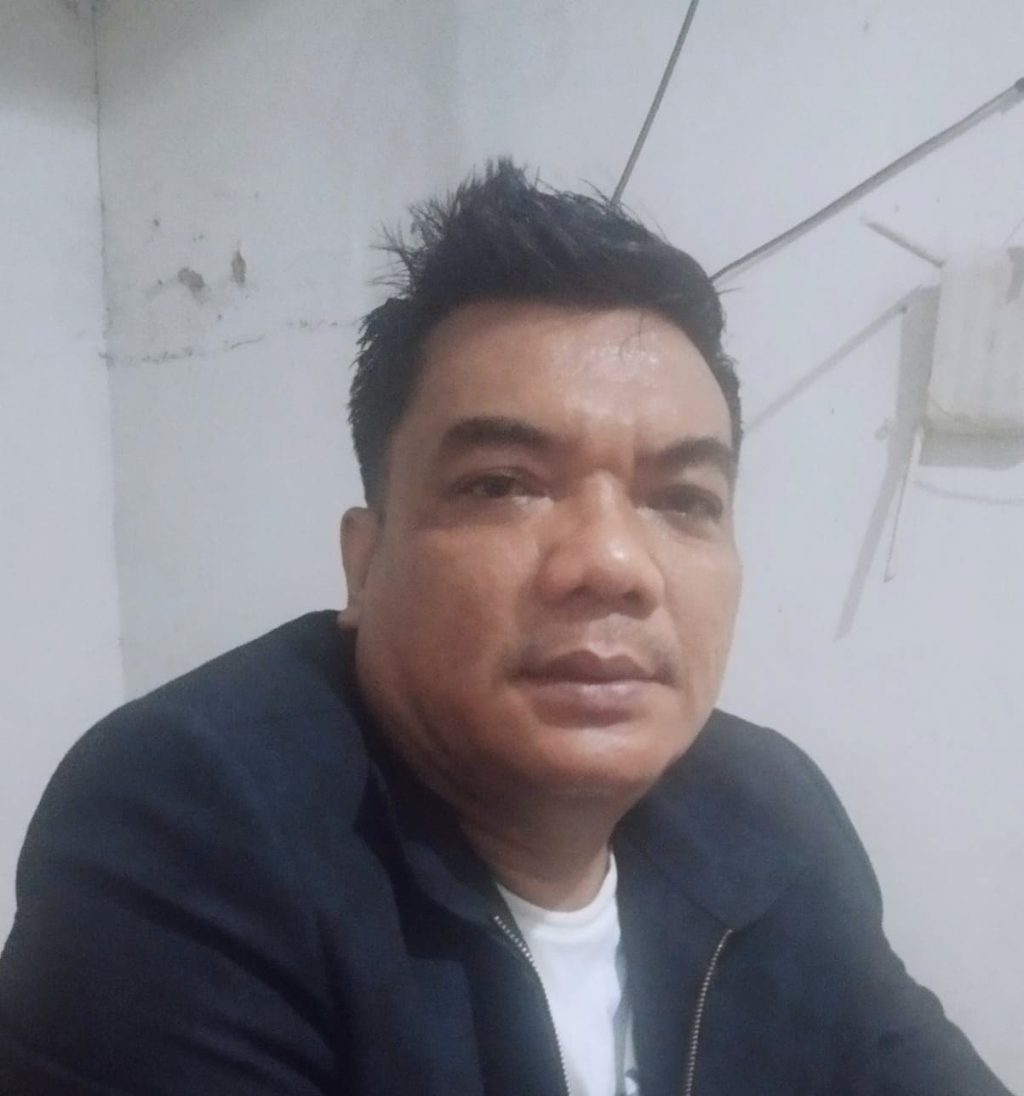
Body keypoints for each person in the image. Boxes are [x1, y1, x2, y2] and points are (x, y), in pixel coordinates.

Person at [0, 160, 1012, 1096]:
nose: (612, 564)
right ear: (364, 562)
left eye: (683, 499)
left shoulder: (768, 811)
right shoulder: (190, 820)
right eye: (503, 485)